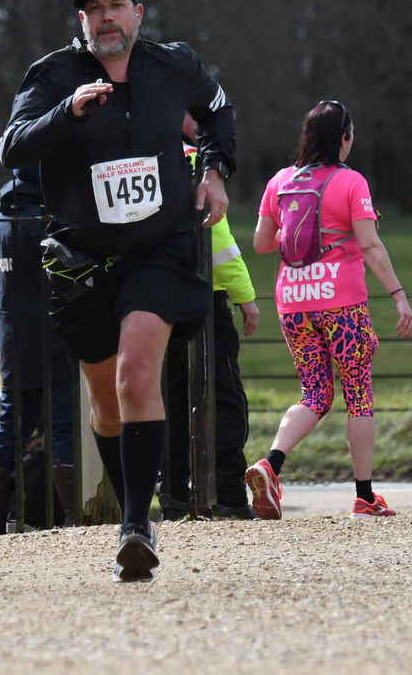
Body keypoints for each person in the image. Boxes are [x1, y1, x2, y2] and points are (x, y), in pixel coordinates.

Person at [0, 0, 236, 581]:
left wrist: (213, 171)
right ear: (82, 21)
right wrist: (67, 113)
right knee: (105, 405)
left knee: (136, 377)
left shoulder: (173, 66)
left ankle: (134, 524)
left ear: (138, 13)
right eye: (94, 9)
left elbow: (217, 110)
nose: (106, 16)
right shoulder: (54, 75)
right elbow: (12, 146)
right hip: (83, 262)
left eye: (116, 5)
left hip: (159, 249)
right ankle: (137, 508)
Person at [245, 100, 412, 521]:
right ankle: (364, 497)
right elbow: (370, 244)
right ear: (344, 137)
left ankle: (271, 463)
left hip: (293, 303)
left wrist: (299, 228)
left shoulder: (280, 181)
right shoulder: (351, 181)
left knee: (315, 393)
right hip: (341, 304)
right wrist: (398, 294)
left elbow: (262, 244)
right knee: (358, 396)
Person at [160, 113, 259, 521]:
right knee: (223, 394)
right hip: (204, 294)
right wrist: (245, 296)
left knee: (168, 395)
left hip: (156, 296)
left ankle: (174, 492)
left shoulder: (145, 157)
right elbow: (217, 239)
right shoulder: (196, 163)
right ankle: (228, 492)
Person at [0, 164, 77, 533]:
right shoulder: (47, 219)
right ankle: (71, 515)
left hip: (13, 336)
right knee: (64, 423)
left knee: (11, 424)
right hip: (54, 333)